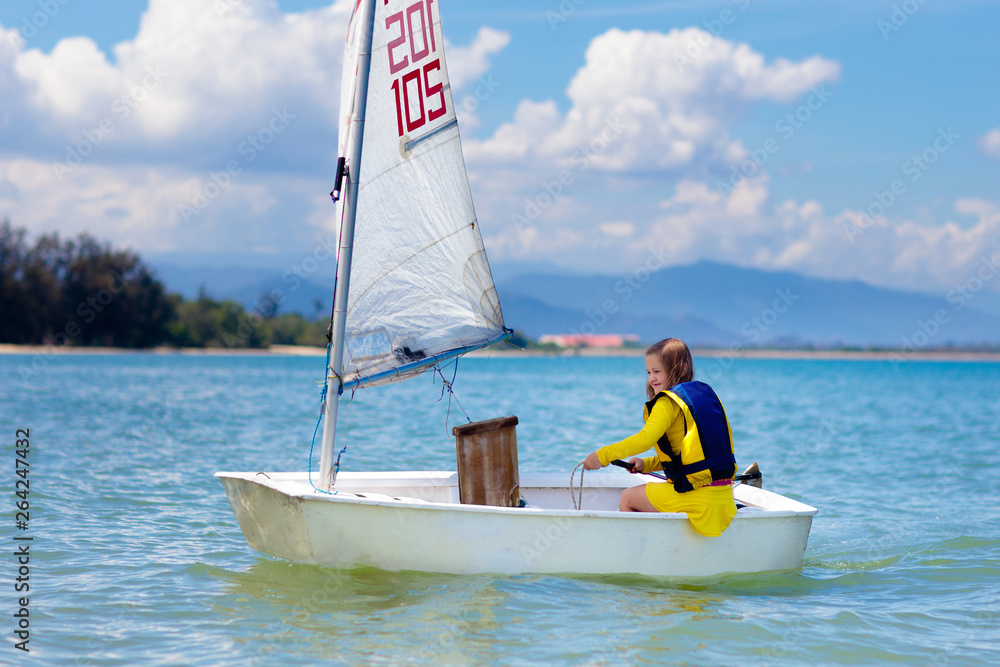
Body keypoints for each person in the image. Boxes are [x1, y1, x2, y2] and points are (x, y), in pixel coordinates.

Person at [582, 338, 738, 537]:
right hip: (723, 497)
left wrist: (602, 456)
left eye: (657, 371)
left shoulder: (667, 402)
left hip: (697, 496)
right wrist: (646, 465)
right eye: (648, 372)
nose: (651, 379)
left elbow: (645, 439)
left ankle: (634, 556)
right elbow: (689, 455)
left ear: (678, 369)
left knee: (628, 497)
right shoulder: (702, 397)